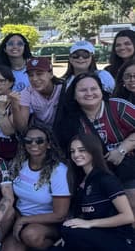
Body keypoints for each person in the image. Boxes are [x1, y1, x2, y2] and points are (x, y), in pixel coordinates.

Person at [43, 133, 135, 251]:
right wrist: (73, 235)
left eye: (82, 150)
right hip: (98, 237)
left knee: (68, 229)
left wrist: (88, 224)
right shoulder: (81, 179)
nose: (76, 155)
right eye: (73, 151)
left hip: (121, 243)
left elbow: (128, 217)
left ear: (93, 150)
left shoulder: (106, 179)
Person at [53, 72, 135, 211]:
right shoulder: (70, 121)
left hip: (129, 167)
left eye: (94, 88)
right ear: (74, 94)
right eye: (83, 90)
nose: (89, 93)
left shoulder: (118, 107)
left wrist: (121, 150)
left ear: (101, 90)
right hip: (96, 173)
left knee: (131, 200)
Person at [1, 125, 70, 251]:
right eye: (29, 141)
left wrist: (24, 221)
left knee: (30, 235)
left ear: (48, 144)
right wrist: (18, 218)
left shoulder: (58, 171)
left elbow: (60, 215)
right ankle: (28, 245)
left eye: (39, 141)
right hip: (21, 217)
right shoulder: (19, 164)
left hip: (47, 222)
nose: (33, 144)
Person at [13, 57, 63, 132]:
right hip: (40, 132)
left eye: (39, 74)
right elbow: (22, 127)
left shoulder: (63, 89)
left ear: (51, 74)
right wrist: (15, 107)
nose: (34, 79)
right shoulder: (27, 92)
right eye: (30, 75)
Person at [0, 66, 20, 160]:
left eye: (1, 81)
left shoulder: (16, 99)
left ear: (11, 82)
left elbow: (9, 131)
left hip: (14, 147)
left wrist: (1, 109)